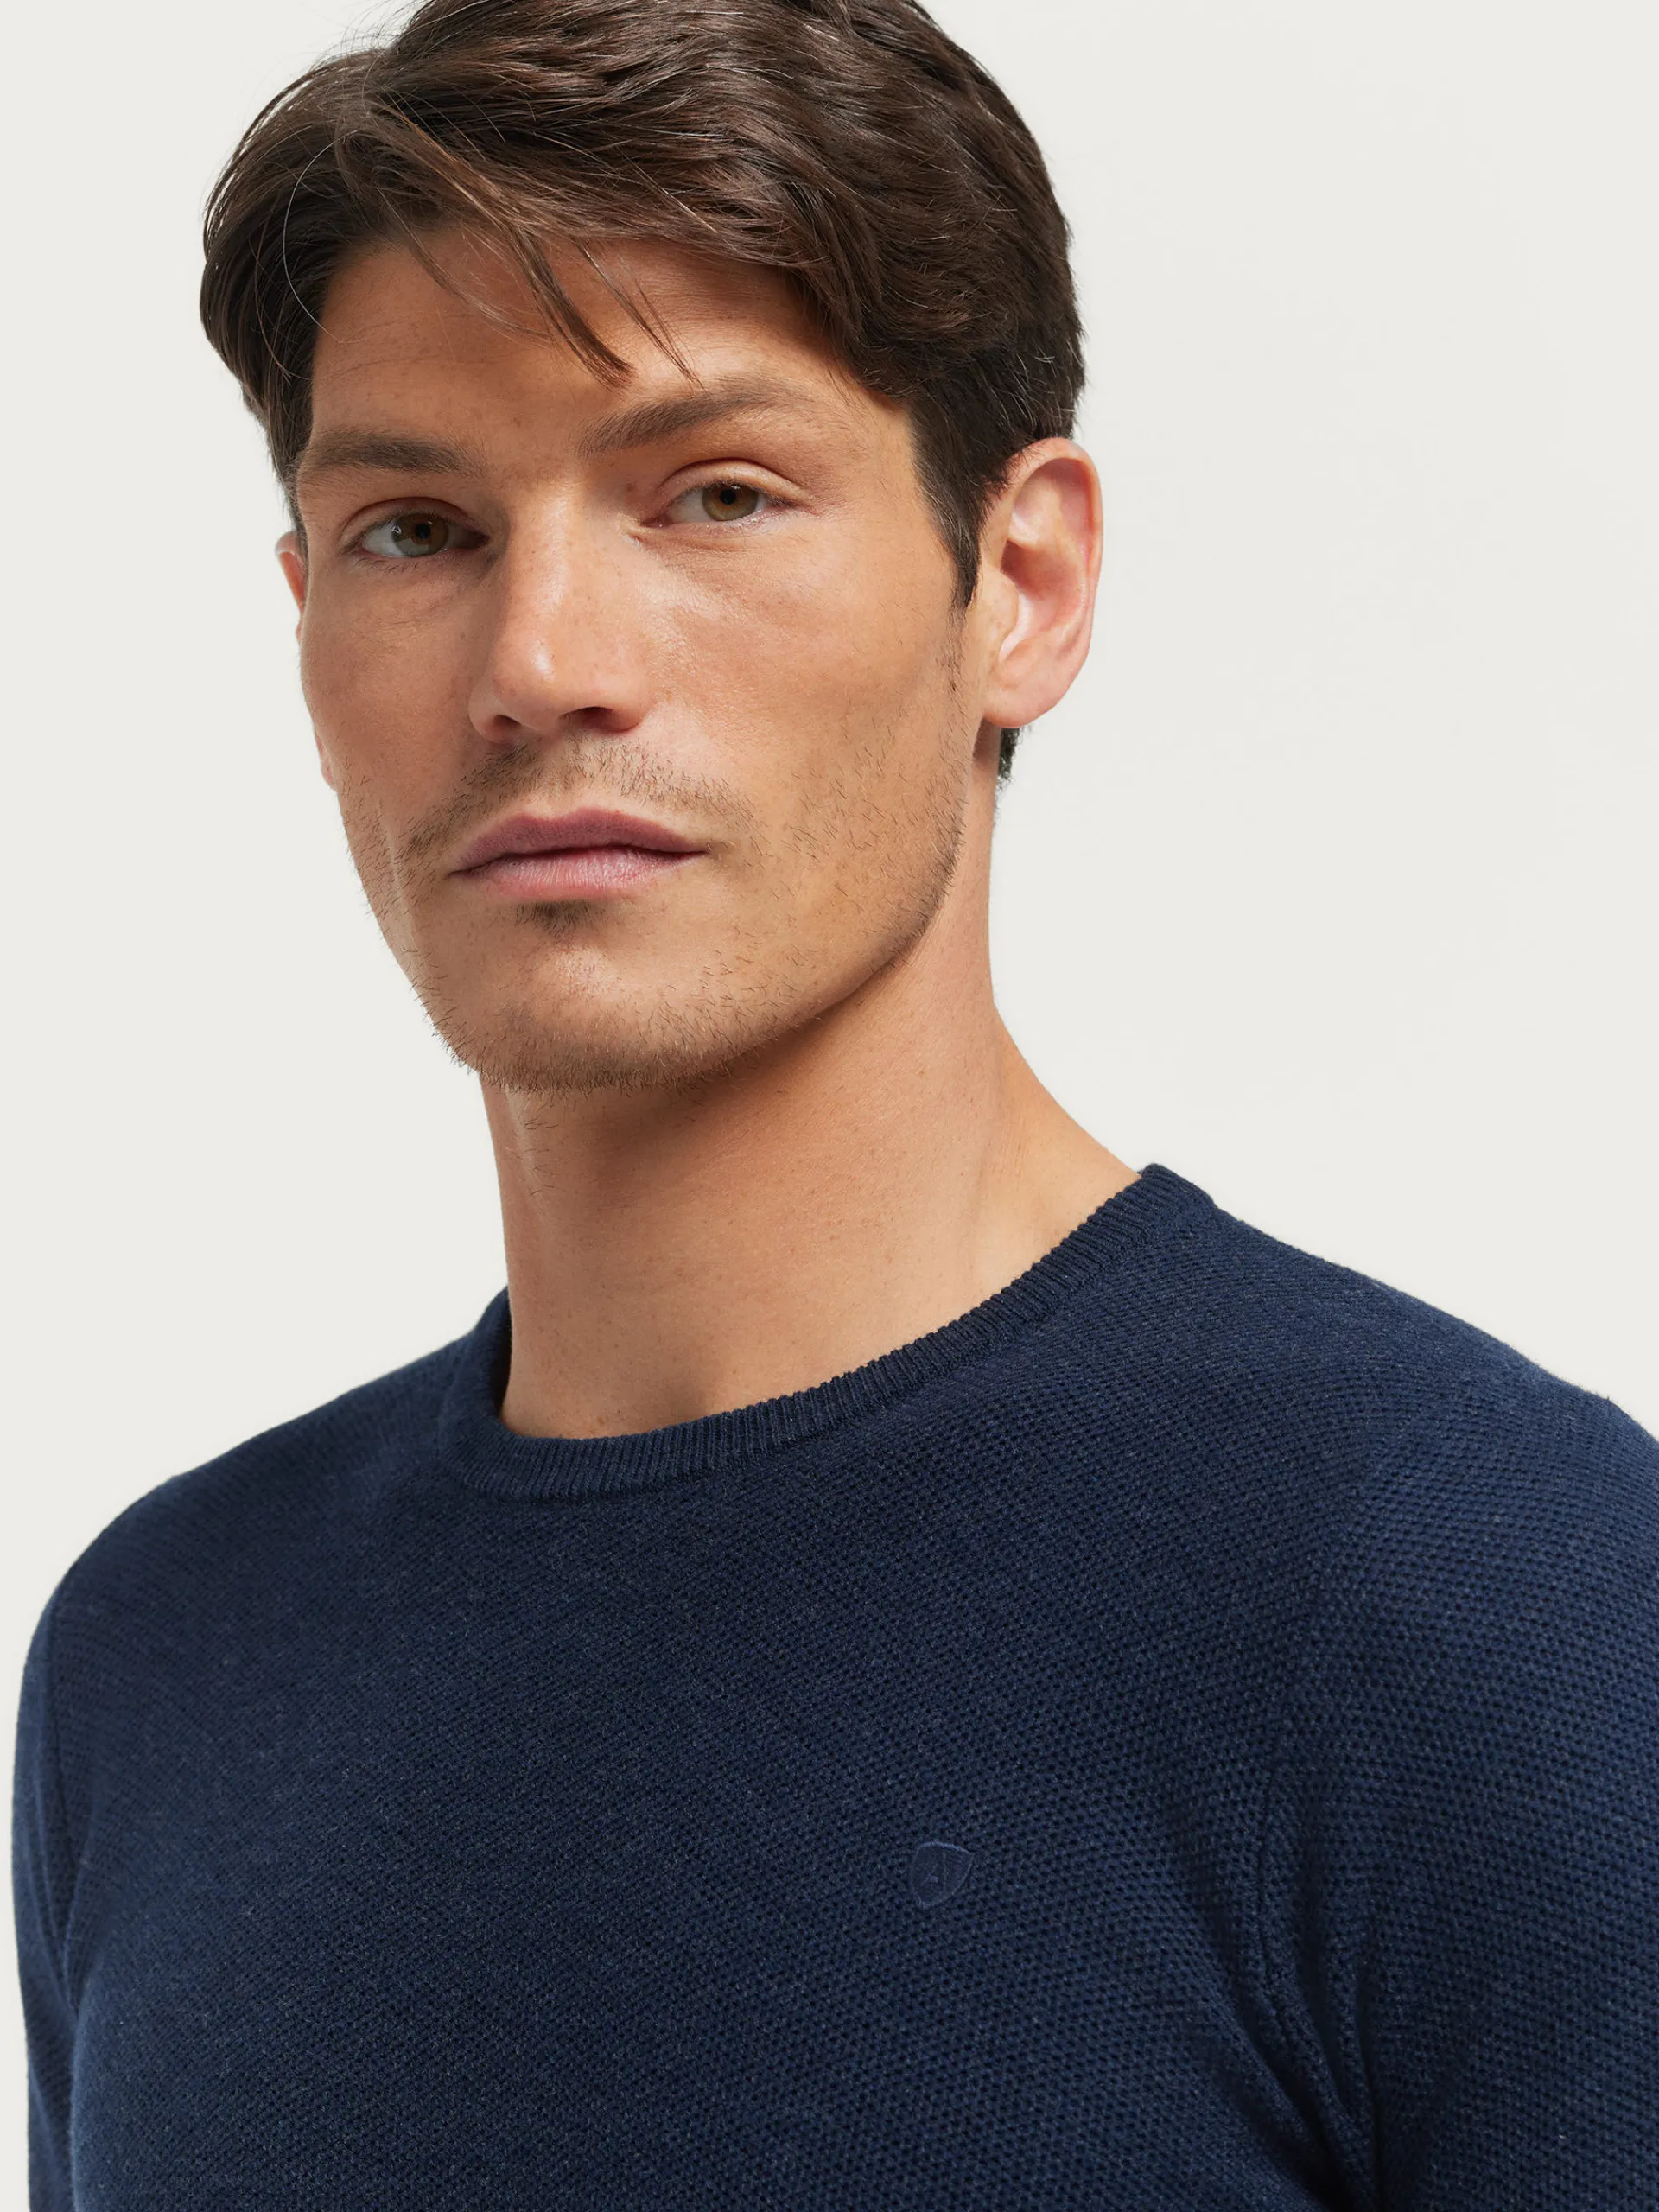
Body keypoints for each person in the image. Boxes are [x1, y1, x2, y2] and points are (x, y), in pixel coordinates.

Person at [12, 0, 1656, 2202]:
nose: (541, 661)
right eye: (416, 529)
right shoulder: (162, 1662)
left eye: (715, 494)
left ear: (1024, 583)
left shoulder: (1492, 1600)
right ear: (305, 620)